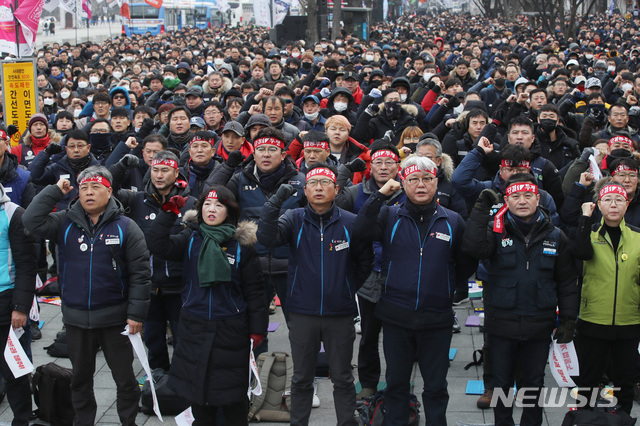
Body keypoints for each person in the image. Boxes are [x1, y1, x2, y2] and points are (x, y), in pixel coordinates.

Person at [22, 166, 150, 426]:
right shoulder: (64, 223)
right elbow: (31, 221)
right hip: (76, 320)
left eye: (96, 188)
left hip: (116, 320)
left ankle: (128, 421)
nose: (89, 193)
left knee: (125, 379)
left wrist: (136, 315)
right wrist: (55, 191)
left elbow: (141, 274)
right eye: (84, 189)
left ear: (109, 191)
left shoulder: (126, 226)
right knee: (80, 379)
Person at [353, 156, 476, 425]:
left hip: (437, 318)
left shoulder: (453, 220)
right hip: (397, 315)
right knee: (396, 384)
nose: (420, 185)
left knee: (435, 387)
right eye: (413, 179)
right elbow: (360, 231)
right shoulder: (390, 214)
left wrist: (448, 287)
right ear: (403, 183)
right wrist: (379, 196)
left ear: (436, 182)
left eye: (427, 179)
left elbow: (466, 262)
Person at [257, 163, 373, 426]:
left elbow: (365, 260)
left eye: (325, 183)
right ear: (305, 190)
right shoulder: (293, 217)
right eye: (313, 183)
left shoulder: (350, 222)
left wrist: (347, 288)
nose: (319, 188)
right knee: (301, 377)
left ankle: (346, 422)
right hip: (302, 311)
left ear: (336, 189)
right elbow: (267, 238)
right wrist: (275, 201)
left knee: (343, 377)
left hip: (340, 312)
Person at [462, 173, 578, 426]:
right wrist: (481, 212)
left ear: (538, 199)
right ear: (506, 200)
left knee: (533, 385)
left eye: (528, 196)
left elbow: (567, 282)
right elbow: (473, 248)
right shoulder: (495, 231)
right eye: (515, 196)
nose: (522, 201)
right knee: (502, 385)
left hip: (539, 324)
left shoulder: (557, 236)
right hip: (501, 324)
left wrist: (569, 318)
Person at [147, 186, 268, 425]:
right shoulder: (191, 238)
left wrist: (257, 329)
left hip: (231, 328)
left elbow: (255, 292)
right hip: (194, 326)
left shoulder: (242, 246)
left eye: (219, 205)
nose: (212, 209)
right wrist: (168, 213)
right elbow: (157, 245)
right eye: (207, 204)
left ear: (230, 211)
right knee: (198, 395)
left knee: (232, 398)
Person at [114, 150, 196, 371]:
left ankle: (181, 385)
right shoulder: (136, 199)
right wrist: (121, 166)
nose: (159, 175)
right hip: (148, 287)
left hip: (180, 287)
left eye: (165, 170)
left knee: (183, 340)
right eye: (155, 170)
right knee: (153, 341)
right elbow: (107, 189)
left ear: (176, 172)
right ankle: (157, 384)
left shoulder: (191, 203)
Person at [573, 182, 640, 414]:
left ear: (627, 205)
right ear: (598, 205)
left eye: (619, 200)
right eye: (608, 200)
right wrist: (584, 217)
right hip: (594, 320)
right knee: (588, 381)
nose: (613, 205)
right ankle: (584, 419)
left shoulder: (637, 238)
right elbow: (581, 253)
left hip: (629, 321)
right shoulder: (588, 232)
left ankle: (623, 418)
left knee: (625, 381)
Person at [0, 183, 36, 426]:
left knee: (14, 369)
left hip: (6, 300)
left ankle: (22, 420)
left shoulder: (14, 213)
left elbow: (27, 264)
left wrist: (21, 307)